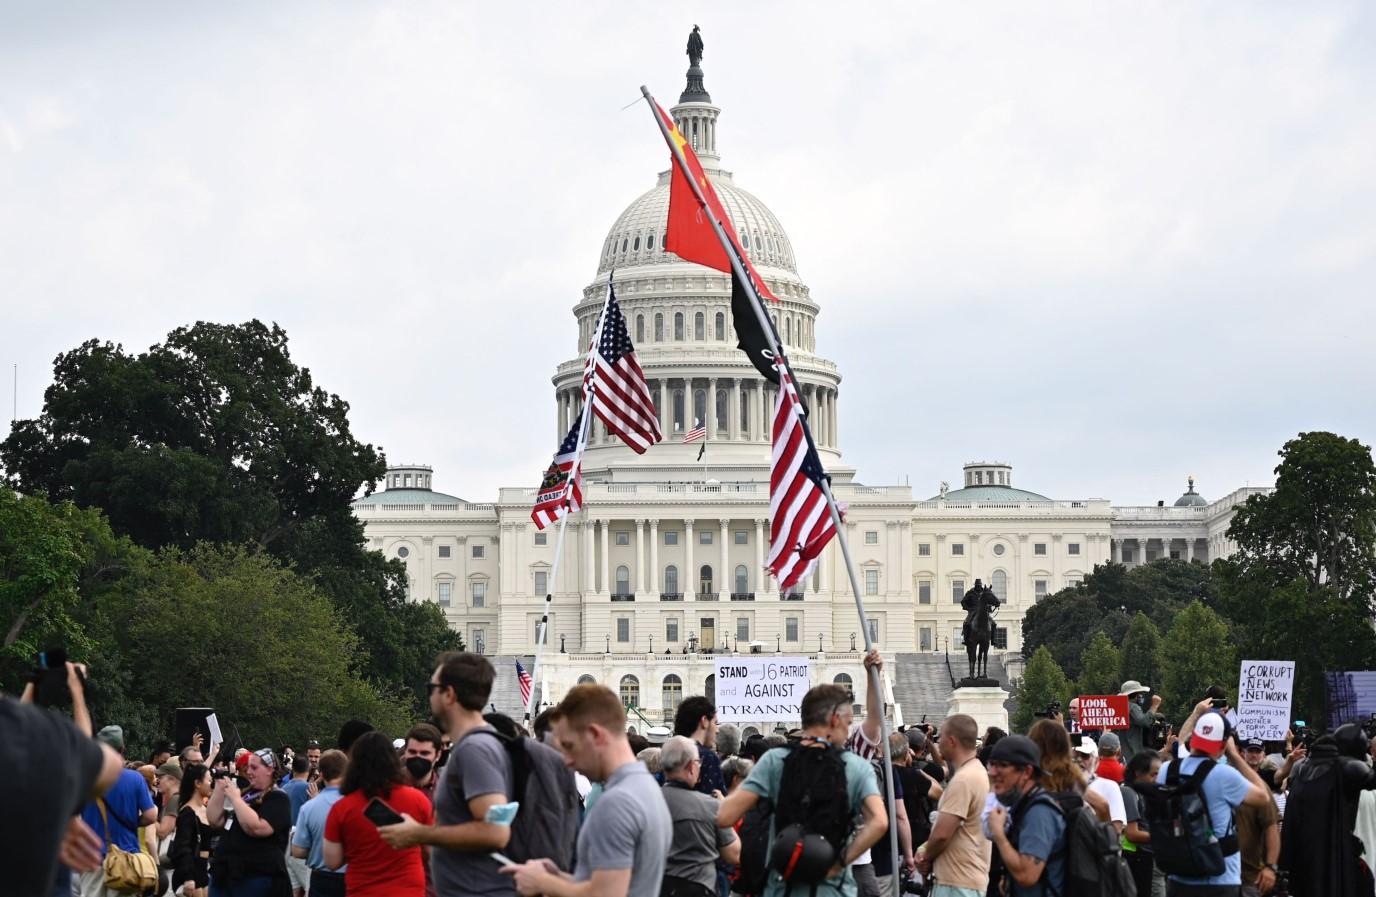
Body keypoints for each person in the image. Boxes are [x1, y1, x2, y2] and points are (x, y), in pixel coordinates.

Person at [503, 683, 673, 897]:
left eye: (570, 746)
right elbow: (620, 883)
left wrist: (543, 882)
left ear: (595, 734)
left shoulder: (617, 802)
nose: (566, 761)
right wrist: (561, 878)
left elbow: (606, 894)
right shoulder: (645, 787)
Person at [718, 683, 886, 897]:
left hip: (782, 887)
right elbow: (879, 822)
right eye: (848, 723)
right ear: (835, 719)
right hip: (834, 889)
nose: (848, 731)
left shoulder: (774, 760)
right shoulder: (855, 766)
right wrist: (840, 861)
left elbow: (725, 816)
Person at [376, 652, 519, 897]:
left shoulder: (475, 749)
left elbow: (495, 832)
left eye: (432, 687)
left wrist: (419, 833)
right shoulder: (475, 745)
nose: (430, 694)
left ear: (449, 694)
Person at [6, 661, 124, 897]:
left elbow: (13, 732)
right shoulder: (55, 777)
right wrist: (76, 691)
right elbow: (99, 759)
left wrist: (33, 685)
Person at [1157, 708, 1272, 896]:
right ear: (1223, 745)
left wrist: (1195, 713)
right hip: (1220, 879)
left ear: (1194, 737)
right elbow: (1263, 796)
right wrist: (1235, 755)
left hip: (1178, 876)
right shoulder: (1224, 775)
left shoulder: (1167, 771)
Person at [323, 732, 433, 897]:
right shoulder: (418, 800)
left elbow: (332, 862)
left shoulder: (342, 808)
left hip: (363, 890)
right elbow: (432, 851)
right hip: (408, 890)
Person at [77, 724, 159, 897]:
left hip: (91, 858)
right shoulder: (135, 778)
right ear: (122, 749)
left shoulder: (85, 778)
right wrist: (132, 821)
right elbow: (151, 815)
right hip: (126, 858)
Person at [916, 714, 990, 897]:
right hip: (966, 878)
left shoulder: (964, 780)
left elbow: (942, 834)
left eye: (940, 737)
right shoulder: (976, 772)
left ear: (951, 741)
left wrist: (925, 856)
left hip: (956, 882)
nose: (938, 742)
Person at [985, 735, 1066, 897]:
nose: (993, 773)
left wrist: (999, 835)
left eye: (1002, 765)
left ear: (1027, 772)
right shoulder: (1024, 806)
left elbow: (1027, 875)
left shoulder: (1039, 812)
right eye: (992, 765)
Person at [660, 735, 741, 897]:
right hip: (700, 886)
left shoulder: (647, 802)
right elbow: (734, 854)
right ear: (691, 766)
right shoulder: (710, 805)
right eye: (698, 763)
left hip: (658, 887)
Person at [207, 747, 293, 897]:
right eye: (247, 767)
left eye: (254, 767)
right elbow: (215, 820)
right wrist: (219, 788)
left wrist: (235, 799)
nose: (248, 772)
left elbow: (258, 828)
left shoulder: (277, 797)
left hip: (255, 875)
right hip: (225, 873)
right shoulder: (246, 793)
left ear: (269, 770)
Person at [291, 750, 348, 897]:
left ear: (321, 774)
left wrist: (317, 848)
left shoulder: (309, 807)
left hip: (321, 878)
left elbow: (297, 850)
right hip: (350, 876)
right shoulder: (356, 804)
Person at [1120, 751, 1161, 897]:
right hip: (1137, 858)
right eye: (1153, 775)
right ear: (1138, 773)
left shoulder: (1144, 792)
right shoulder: (1129, 792)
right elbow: (1132, 833)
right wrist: (1162, 837)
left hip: (1146, 856)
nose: (1157, 779)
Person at [171, 764, 214, 897]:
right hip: (192, 870)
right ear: (197, 783)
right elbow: (183, 846)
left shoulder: (205, 809)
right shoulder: (188, 813)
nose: (211, 784)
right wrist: (188, 877)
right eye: (209, 780)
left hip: (203, 869)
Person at [675, 696, 727, 797]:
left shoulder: (670, 753)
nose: (717, 730)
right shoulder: (708, 757)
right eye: (715, 723)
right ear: (704, 721)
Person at [1075, 736, 1125, 834]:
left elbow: (1117, 829)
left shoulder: (1111, 786)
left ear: (1096, 760)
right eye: (1075, 755)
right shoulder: (1060, 786)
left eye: (1085, 755)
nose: (1079, 759)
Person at [281, 755, 315, 897]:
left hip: (284, 844)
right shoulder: (309, 789)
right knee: (309, 888)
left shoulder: (283, 788)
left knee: (292, 890)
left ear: (293, 769)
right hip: (301, 845)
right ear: (308, 769)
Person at [400, 723, 443, 803]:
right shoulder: (388, 785)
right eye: (412, 752)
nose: (418, 757)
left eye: (424, 753)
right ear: (405, 751)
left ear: (438, 755)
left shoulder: (446, 792)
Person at [1119, 681, 1160, 760]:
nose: (1141, 696)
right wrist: (1154, 706)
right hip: (1132, 752)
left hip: (1123, 752)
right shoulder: (1133, 707)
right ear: (1135, 695)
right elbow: (1144, 722)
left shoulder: (1121, 706)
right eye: (1140, 693)